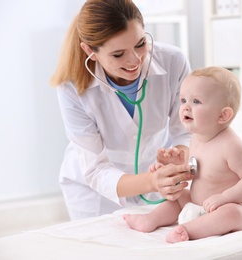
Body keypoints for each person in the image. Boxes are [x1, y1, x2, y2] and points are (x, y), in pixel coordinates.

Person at [49, 0, 194, 220]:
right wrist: (150, 181)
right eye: (118, 54)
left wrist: (180, 157)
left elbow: (185, 128)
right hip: (96, 192)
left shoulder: (173, 61)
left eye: (140, 43)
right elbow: (96, 169)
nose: (135, 59)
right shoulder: (71, 86)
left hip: (156, 176)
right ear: (90, 51)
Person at [124, 66, 242, 243]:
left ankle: (187, 231)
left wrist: (225, 198)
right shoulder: (196, 138)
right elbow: (199, 172)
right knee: (179, 196)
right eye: (183, 100)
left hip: (238, 207)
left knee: (234, 213)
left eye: (196, 101)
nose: (185, 108)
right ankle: (149, 219)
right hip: (201, 205)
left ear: (223, 115)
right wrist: (172, 168)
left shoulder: (231, 145)